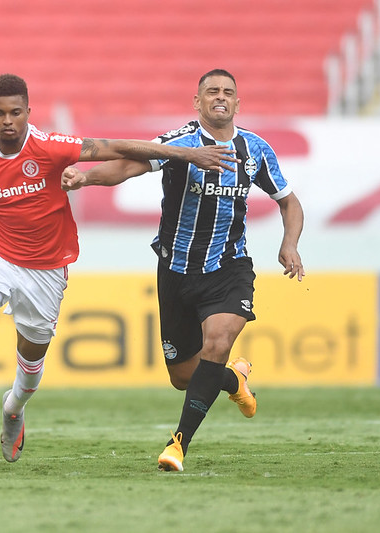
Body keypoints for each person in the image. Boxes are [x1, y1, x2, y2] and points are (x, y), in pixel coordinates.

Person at [0, 73, 236, 463]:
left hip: (46, 270)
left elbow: (116, 148)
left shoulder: (50, 146)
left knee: (30, 372)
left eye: (15, 112)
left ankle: (13, 409)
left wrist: (188, 154)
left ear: (28, 112)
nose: (8, 121)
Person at [61, 68, 305, 471]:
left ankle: (178, 444)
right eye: (212, 92)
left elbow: (289, 201)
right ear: (197, 102)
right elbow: (126, 166)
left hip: (229, 267)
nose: (220, 97)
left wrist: (289, 243)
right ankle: (234, 381)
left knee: (219, 341)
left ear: (238, 103)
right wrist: (85, 178)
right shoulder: (180, 144)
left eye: (228, 92)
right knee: (183, 376)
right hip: (175, 270)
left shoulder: (256, 150)